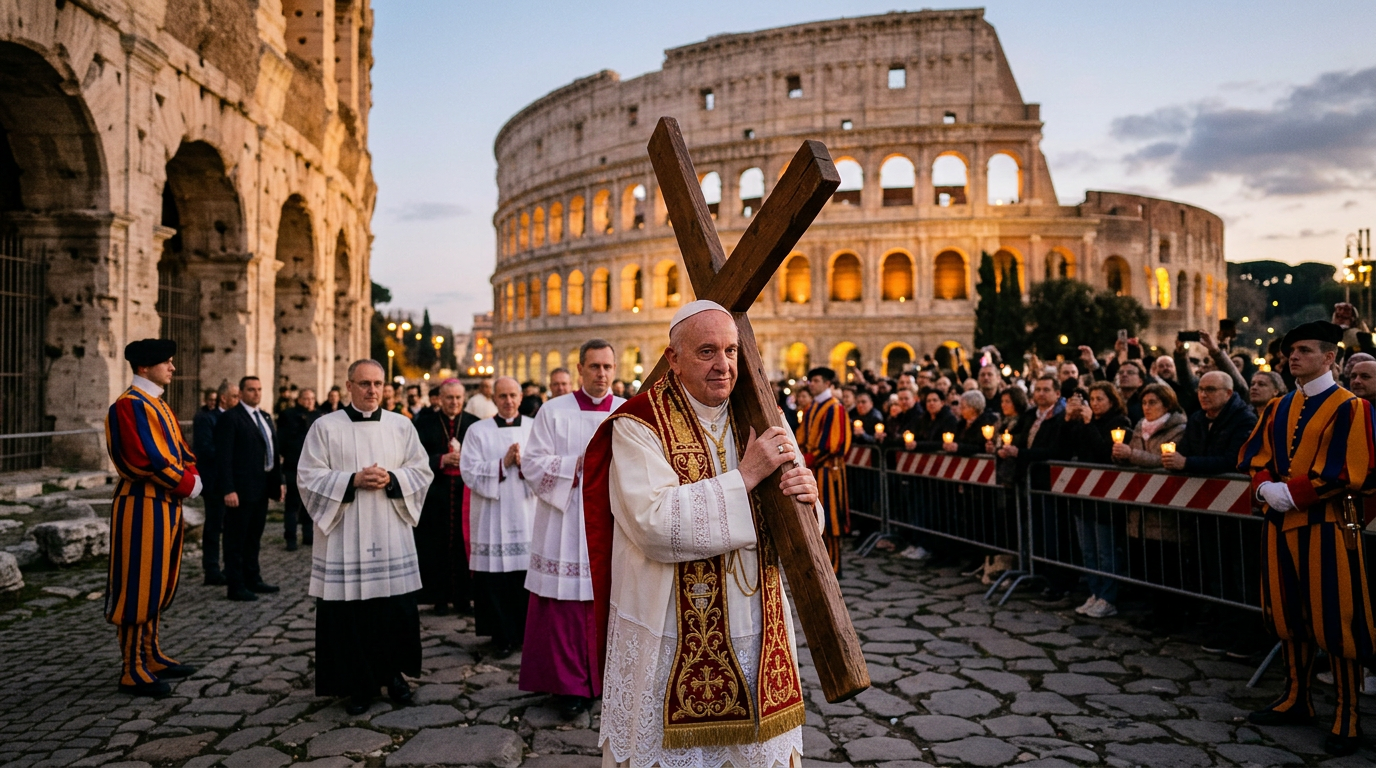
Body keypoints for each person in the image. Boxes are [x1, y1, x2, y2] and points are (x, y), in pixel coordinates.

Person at [582, 300, 819, 768]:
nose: (723, 365)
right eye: (707, 351)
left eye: (731, 351)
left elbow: (800, 523)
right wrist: (745, 477)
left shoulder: (762, 414)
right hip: (669, 630)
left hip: (756, 625)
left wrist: (808, 498)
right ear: (672, 358)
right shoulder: (637, 425)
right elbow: (653, 524)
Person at [1240, 321, 1376, 756]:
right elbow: (1255, 455)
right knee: (1287, 613)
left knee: (1336, 619)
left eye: (1302, 350)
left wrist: (1290, 492)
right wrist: (1264, 488)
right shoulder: (1277, 406)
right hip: (1280, 527)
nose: (1291, 357)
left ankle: (1347, 715)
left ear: (1329, 357)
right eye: (1289, 351)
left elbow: (1347, 469)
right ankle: (1297, 698)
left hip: (1328, 526)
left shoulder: (1350, 407)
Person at [297, 359, 434, 715]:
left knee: (392, 609)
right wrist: (352, 481)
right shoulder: (325, 427)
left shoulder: (401, 426)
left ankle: (394, 676)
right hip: (345, 533)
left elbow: (421, 470)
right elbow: (308, 477)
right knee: (351, 612)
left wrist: (392, 479)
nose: (372, 390)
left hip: (390, 530)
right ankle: (358, 683)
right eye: (364, 384)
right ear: (349, 385)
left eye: (377, 384)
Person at [519, 339, 624, 716]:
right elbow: (531, 464)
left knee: (608, 602)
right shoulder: (553, 411)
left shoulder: (626, 413)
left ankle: (608, 681)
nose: (601, 374)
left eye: (608, 367)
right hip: (565, 521)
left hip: (611, 522)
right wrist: (578, 466)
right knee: (564, 607)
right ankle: (569, 687)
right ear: (580, 369)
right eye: (594, 367)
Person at [105, 339, 202, 696]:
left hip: (164, 504)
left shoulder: (156, 405)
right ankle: (132, 668)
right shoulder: (129, 406)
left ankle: (151, 653)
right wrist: (187, 481)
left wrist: (190, 471)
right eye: (167, 362)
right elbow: (144, 459)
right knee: (138, 583)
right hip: (141, 504)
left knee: (159, 581)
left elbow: (179, 449)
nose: (173, 368)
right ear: (145, 367)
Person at [460, 377, 536, 658]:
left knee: (525, 576)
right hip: (493, 515)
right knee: (496, 579)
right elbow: (469, 470)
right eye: (502, 396)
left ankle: (526, 633)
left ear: (520, 397)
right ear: (494, 398)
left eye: (513, 395)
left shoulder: (534, 427)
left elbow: (544, 466)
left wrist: (525, 463)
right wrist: (502, 464)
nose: (508, 401)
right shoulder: (478, 431)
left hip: (527, 513)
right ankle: (501, 635)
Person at [1059, 382, 1133, 618]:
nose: (1095, 403)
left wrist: (1090, 424)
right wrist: (1069, 420)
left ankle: (1108, 597)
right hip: (1083, 495)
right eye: (1091, 398)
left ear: (1112, 400)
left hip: (1105, 498)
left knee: (1106, 550)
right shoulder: (1083, 423)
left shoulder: (1120, 423)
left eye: (1100, 399)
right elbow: (1064, 448)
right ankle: (1095, 591)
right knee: (1088, 550)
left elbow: (1104, 453)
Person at [412, 378, 480, 615]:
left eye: (458, 398)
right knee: (436, 546)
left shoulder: (474, 425)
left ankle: (464, 598)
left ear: (464, 399)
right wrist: (440, 460)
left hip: (466, 495)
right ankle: (439, 598)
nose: (454, 402)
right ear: (440, 399)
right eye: (449, 398)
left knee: (464, 547)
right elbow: (414, 459)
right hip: (435, 496)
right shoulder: (424, 423)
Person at [213, 376, 283, 601]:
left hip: (262, 487)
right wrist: (228, 489)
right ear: (241, 393)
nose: (256, 393)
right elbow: (223, 457)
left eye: (259, 389)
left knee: (254, 537)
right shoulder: (232, 418)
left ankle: (253, 578)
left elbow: (272, 450)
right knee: (236, 539)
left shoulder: (264, 416)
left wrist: (279, 482)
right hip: (240, 490)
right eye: (251, 390)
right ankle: (236, 584)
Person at [797, 366, 850, 574]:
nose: (812, 384)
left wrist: (808, 458)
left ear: (828, 384)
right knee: (815, 518)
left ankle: (833, 566)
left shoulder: (834, 408)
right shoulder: (811, 407)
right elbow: (802, 435)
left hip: (828, 471)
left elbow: (833, 444)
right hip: (813, 469)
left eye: (817, 380)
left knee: (831, 518)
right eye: (811, 380)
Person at [1161, 372, 1257, 476]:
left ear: (1228, 393)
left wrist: (1187, 463)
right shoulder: (1196, 418)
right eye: (1200, 389)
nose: (1203, 395)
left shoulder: (1245, 420)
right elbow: (1185, 450)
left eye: (1210, 389)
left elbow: (1234, 460)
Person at [194, 381, 235, 585]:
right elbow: (205, 448)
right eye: (235, 397)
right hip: (214, 482)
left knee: (231, 527)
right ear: (224, 398)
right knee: (214, 526)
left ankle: (230, 567)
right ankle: (211, 569)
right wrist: (231, 456)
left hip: (232, 482)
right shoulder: (206, 419)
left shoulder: (236, 418)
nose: (238, 401)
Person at [277, 387, 322, 551]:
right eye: (306, 398)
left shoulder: (318, 416)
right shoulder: (289, 415)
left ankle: (308, 535)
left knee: (311, 503)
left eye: (312, 398)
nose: (309, 402)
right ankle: (290, 538)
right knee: (292, 504)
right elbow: (282, 439)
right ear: (300, 399)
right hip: (293, 465)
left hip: (313, 468)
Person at [1111, 383, 1186, 468]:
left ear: (1167, 405)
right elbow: (1130, 459)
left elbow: (1163, 460)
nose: (1146, 407)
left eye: (1152, 403)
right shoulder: (1140, 427)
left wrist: (1131, 454)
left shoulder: (1178, 430)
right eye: (1144, 403)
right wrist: (1120, 455)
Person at [943, 390, 999, 455]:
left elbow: (981, 447)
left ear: (973, 408)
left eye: (963, 407)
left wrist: (959, 447)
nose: (960, 409)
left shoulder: (986, 424)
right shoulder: (961, 424)